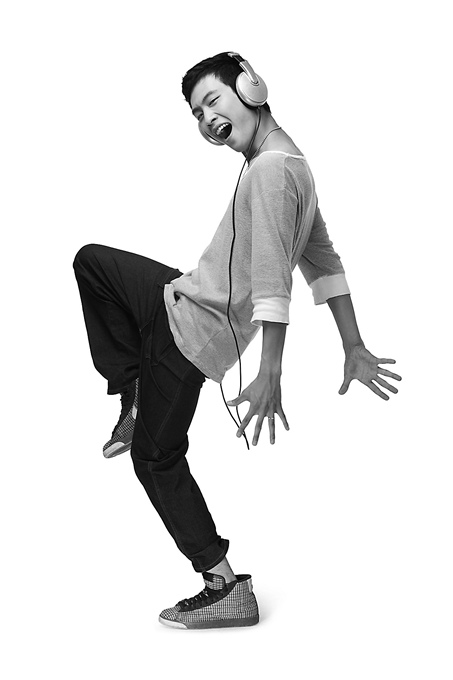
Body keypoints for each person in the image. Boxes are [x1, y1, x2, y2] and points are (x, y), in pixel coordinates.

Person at [73, 52, 401, 630]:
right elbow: (325, 263)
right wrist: (353, 345)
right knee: (94, 263)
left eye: (212, 101)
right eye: (197, 114)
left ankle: (223, 585)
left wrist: (271, 370)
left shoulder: (271, 172)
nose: (207, 120)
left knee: (154, 459)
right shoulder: (290, 163)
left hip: (189, 338)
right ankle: (133, 394)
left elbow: (276, 278)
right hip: (181, 295)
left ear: (251, 88)